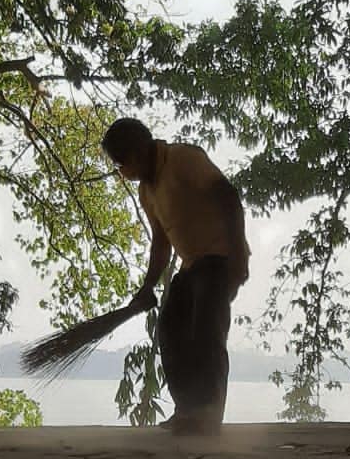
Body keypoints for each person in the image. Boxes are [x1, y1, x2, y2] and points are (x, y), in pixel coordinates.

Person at [102, 118, 250, 436]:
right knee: (170, 329)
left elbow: (228, 199)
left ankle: (208, 414)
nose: (121, 172)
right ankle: (188, 411)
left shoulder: (183, 159)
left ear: (136, 153)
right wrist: (147, 287)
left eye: (120, 164)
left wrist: (238, 255)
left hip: (220, 258)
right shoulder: (147, 192)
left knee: (206, 331)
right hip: (192, 265)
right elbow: (161, 243)